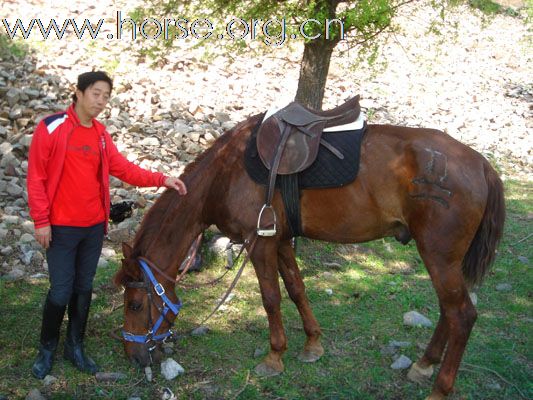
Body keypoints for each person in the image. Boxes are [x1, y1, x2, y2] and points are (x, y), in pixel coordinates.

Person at [26, 71, 187, 379]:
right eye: (96, 94)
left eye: (105, 96)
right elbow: (36, 177)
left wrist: (161, 179)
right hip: (60, 228)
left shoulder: (100, 134)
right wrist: (41, 221)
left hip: (92, 227)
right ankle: (47, 349)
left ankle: (75, 347)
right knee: (61, 291)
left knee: (83, 288)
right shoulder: (52, 127)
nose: (101, 101)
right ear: (79, 92)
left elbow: (122, 167)